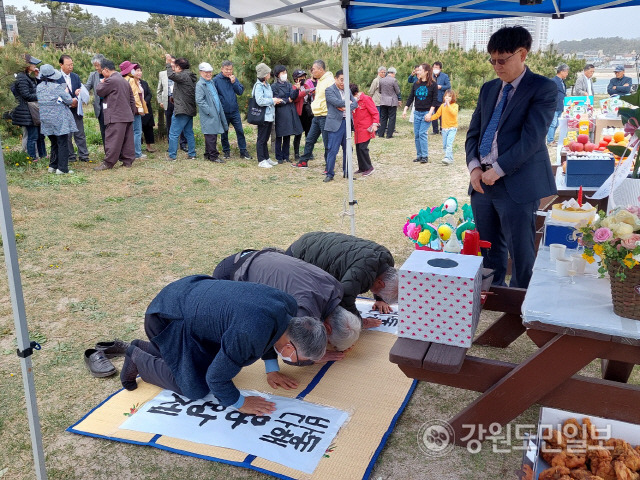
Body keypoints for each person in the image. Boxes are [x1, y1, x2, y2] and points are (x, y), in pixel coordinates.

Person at [120, 277, 327, 415]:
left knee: (210, 364)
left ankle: (152, 350)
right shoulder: (250, 333)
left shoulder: (287, 306)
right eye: (301, 359)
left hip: (190, 292)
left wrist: (271, 369)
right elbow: (216, 378)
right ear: (290, 350)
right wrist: (240, 403)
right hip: (168, 317)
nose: (299, 363)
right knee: (196, 387)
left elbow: (271, 331)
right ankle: (137, 356)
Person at [465, 25, 557, 289]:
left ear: (522, 54)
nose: (497, 67)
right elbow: (474, 133)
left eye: (502, 60)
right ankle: (494, 296)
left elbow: (532, 138)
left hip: (517, 182)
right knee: (489, 247)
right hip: (482, 182)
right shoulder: (489, 89)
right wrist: (474, 169)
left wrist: (499, 168)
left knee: (520, 252)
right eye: (492, 60)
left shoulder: (543, 88)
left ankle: (520, 305)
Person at [212, 249, 361, 356]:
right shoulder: (303, 311)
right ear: (327, 328)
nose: (327, 344)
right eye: (330, 343)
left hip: (257, 255)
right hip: (229, 274)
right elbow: (288, 347)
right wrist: (316, 356)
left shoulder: (336, 287)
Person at [286, 231, 398, 326]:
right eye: (380, 293)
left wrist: (380, 300)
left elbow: (382, 276)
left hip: (314, 241)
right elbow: (344, 298)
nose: (377, 293)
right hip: (299, 255)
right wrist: (361, 321)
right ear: (380, 283)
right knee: (307, 305)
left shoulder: (386, 259)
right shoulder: (360, 272)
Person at [93, 58, 137, 171]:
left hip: (116, 115)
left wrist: (101, 82)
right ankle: (127, 161)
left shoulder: (111, 80)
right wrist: (131, 113)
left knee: (113, 139)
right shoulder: (123, 80)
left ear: (106, 70)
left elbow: (99, 91)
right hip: (126, 115)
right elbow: (132, 99)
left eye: (102, 71)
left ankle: (108, 162)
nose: (102, 73)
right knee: (127, 140)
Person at [37, 64, 77, 175]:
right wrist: (68, 94)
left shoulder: (39, 87)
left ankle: (52, 166)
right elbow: (69, 100)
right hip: (59, 119)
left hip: (46, 119)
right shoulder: (57, 87)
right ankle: (62, 169)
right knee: (62, 143)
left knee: (54, 143)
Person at [294, 60, 334, 169]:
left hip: (325, 116)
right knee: (310, 139)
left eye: (313, 69)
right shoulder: (320, 80)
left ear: (320, 69)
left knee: (327, 143)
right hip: (317, 116)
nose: (312, 71)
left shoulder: (329, 81)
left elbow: (331, 98)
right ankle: (303, 161)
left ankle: (329, 166)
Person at [213, 60, 252, 160]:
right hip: (223, 111)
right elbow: (213, 95)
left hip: (234, 111)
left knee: (240, 131)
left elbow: (240, 91)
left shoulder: (233, 78)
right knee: (224, 132)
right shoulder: (216, 80)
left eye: (230, 69)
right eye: (226, 69)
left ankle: (243, 151)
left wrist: (234, 82)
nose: (229, 71)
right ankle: (226, 151)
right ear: (222, 69)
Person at [323, 70, 357, 183]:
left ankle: (347, 172)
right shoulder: (329, 90)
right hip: (335, 124)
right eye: (341, 80)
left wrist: (347, 107)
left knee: (348, 149)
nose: (343, 83)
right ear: (336, 79)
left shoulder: (347, 90)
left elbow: (355, 103)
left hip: (346, 122)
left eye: (345, 80)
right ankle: (329, 173)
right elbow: (336, 102)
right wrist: (347, 103)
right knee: (332, 149)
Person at [12, 54, 46, 161]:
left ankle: (42, 155)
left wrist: (37, 77)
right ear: (27, 65)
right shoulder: (21, 77)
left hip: (32, 110)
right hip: (27, 111)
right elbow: (26, 95)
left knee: (40, 135)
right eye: (33, 63)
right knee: (33, 136)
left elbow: (37, 89)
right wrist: (41, 96)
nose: (35, 65)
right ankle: (32, 157)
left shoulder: (27, 76)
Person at [402, 63, 438, 164]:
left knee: (422, 133)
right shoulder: (416, 84)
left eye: (420, 70)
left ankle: (425, 156)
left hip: (427, 112)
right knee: (417, 134)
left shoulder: (433, 84)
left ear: (426, 71)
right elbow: (410, 98)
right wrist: (405, 110)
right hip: (417, 112)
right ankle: (419, 155)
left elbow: (434, 100)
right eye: (418, 70)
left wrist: (430, 114)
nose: (418, 72)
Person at [164, 54, 197, 161]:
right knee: (189, 132)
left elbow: (171, 75)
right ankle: (192, 154)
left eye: (175, 66)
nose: (174, 68)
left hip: (182, 110)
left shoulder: (183, 76)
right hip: (189, 109)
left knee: (173, 133)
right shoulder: (190, 75)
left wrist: (168, 63)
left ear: (179, 67)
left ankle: (172, 156)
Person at [58, 54, 89, 163]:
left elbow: (79, 90)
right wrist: (69, 102)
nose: (71, 67)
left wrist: (76, 97)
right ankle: (70, 156)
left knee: (80, 133)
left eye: (72, 64)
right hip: (64, 109)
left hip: (76, 109)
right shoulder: (57, 77)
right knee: (67, 134)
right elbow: (57, 94)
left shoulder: (75, 76)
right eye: (68, 65)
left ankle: (84, 155)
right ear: (61, 65)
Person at [195, 61, 228, 163]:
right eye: (206, 72)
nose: (209, 74)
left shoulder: (211, 82)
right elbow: (199, 100)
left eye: (210, 72)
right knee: (211, 135)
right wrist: (209, 111)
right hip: (209, 114)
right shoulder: (200, 84)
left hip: (216, 112)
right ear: (201, 72)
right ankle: (214, 156)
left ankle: (208, 154)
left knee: (211, 134)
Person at [253, 63, 283, 168]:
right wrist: (272, 100)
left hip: (269, 115)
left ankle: (266, 158)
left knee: (265, 138)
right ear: (264, 74)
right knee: (261, 139)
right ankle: (261, 160)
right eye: (268, 72)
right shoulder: (258, 86)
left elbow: (269, 99)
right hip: (263, 116)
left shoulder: (267, 85)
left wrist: (274, 101)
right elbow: (260, 100)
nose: (269, 74)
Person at [271, 65, 303, 164]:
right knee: (279, 135)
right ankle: (279, 156)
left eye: (285, 72)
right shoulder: (274, 86)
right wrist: (287, 100)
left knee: (288, 134)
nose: (285, 75)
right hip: (280, 112)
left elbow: (292, 97)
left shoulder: (288, 85)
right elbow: (276, 100)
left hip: (289, 111)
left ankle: (286, 156)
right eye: (282, 73)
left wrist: (297, 89)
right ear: (277, 75)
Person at [157, 56, 187, 152]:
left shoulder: (181, 74)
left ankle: (183, 144)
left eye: (174, 63)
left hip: (179, 101)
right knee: (169, 123)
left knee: (181, 122)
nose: (172, 64)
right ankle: (171, 145)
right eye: (171, 63)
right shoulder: (162, 74)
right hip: (168, 100)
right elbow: (159, 89)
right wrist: (160, 101)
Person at [120, 61, 147, 161]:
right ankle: (137, 153)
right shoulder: (131, 80)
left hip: (125, 108)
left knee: (128, 131)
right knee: (137, 131)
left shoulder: (122, 79)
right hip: (133, 108)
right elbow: (135, 95)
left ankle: (127, 152)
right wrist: (140, 108)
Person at [350, 83, 378, 176]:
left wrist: (375, 124)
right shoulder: (354, 101)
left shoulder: (365, 99)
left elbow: (375, 112)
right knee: (358, 148)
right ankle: (362, 167)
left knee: (363, 148)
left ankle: (369, 167)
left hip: (366, 128)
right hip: (358, 129)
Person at [429, 89, 459, 165]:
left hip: (452, 128)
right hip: (444, 128)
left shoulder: (455, 106)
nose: (447, 97)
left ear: (452, 98)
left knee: (449, 144)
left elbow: (454, 113)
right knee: (445, 145)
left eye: (449, 96)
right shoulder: (442, 106)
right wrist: (430, 118)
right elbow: (437, 115)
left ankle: (447, 158)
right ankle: (450, 159)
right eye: (446, 96)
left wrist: (448, 105)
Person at [84, 54, 106, 148]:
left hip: (111, 105)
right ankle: (108, 151)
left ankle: (117, 151)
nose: (96, 68)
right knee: (103, 130)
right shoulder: (93, 75)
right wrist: (80, 90)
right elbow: (87, 87)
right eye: (95, 66)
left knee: (113, 130)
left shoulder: (110, 73)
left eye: (98, 65)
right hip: (100, 106)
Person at [291, 69, 312, 161]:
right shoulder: (293, 88)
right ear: (296, 79)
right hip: (299, 112)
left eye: (304, 77)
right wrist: (303, 92)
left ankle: (308, 152)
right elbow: (295, 98)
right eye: (300, 77)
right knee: (298, 133)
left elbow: (310, 96)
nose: (303, 78)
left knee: (309, 133)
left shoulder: (306, 85)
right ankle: (296, 153)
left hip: (307, 111)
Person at [547, 64, 569, 146]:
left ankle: (552, 139)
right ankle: (550, 140)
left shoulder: (562, 82)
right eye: (566, 72)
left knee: (556, 124)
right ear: (562, 71)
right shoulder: (553, 81)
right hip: (554, 106)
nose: (567, 74)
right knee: (552, 123)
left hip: (560, 105)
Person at [377, 66, 400, 139]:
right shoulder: (394, 80)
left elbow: (379, 90)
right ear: (393, 73)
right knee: (392, 118)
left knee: (383, 118)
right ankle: (389, 134)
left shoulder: (382, 80)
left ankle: (381, 133)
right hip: (392, 102)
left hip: (383, 101)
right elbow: (397, 91)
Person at [430, 61, 452, 135]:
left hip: (441, 98)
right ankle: (435, 130)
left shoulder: (444, 76)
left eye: (437, 67)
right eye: (434, 67)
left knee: (442, 115)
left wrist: (441, 87)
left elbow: (448, 86)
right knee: (433, 114)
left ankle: (442, 129)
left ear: (440, 69)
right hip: (432, 98)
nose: (435, 69)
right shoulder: (430, 76)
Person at [139, 69, 156, 153]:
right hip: (137, 108)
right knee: (137, 128)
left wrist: (145, 101)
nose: (139, 72)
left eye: (140, 70)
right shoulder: (130, 82)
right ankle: (138, 147)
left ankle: (149, 146)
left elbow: (149, 94)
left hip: (146, 107)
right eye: (137, 70)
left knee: (148, 127)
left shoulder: (144, 83)